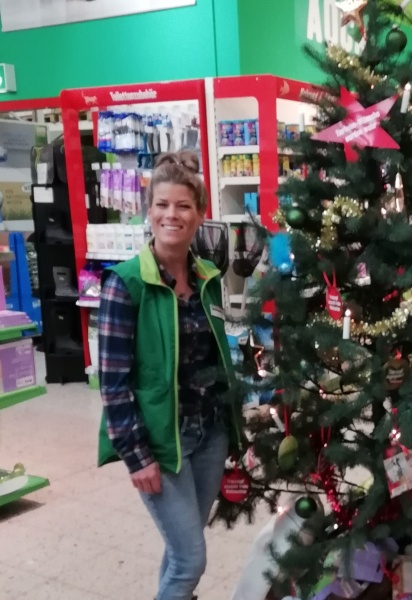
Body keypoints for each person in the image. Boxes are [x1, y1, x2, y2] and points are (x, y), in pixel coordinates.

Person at [97, 151, 242, 600]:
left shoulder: (207, 277)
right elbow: (113, 383)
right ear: (149, 211)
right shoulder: (126, 284)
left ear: (199, 215)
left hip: (209, 434)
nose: (171, 215)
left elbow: (217, 357)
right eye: (162, 204)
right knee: (190, 559)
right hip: (161, 441)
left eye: (183, 205)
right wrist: (135, 455)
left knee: (181, 548)